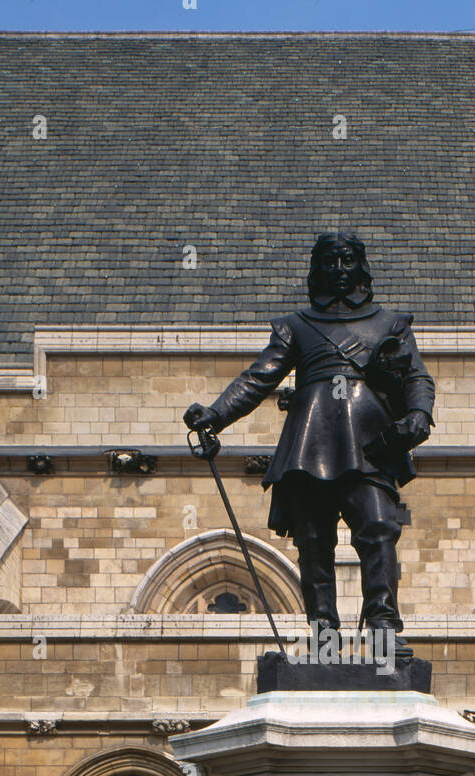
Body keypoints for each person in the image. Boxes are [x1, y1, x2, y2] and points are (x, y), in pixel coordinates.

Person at [183, 233, 434, 650]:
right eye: (330, 262)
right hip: (311, 442)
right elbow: (258, 378)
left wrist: (419, 414)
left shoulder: (390, 324)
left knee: (378, 528)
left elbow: (417, 378)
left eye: (347, 260)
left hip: (370, 443)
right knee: (314, 540)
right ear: (318, 270)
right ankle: (324, 636)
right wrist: (216, 413)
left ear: (360, 266)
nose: (339, 270)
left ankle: (384, 631)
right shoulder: (297, 326)